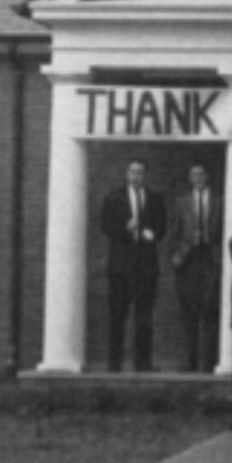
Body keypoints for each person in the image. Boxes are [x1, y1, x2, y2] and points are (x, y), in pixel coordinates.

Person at [100, 158, 167, 372]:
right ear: (127, 174)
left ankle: (143, 363)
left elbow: (162, 226)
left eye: (140, 172)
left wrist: (153, 234)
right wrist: (125, 228)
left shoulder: (155, 198)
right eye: (132, 172)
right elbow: (105, 226)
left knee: (144, 316)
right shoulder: (114, 198)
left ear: (145, 175)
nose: (136, 176)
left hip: (146, 265)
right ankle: (114, 363)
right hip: (120, 266)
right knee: (118, 315)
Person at [168, 164, 223, 372]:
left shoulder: (219, 200)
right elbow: (174, 231)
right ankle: (189, 362)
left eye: (201, 174)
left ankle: (208, 362)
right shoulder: (181, 201)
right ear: (189, 178)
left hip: (211, 257)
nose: (197, 178)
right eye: (193, 174)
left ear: (208, 176)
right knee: (188, 311)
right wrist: (175, 256)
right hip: (188, 259)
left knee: (210, 309)